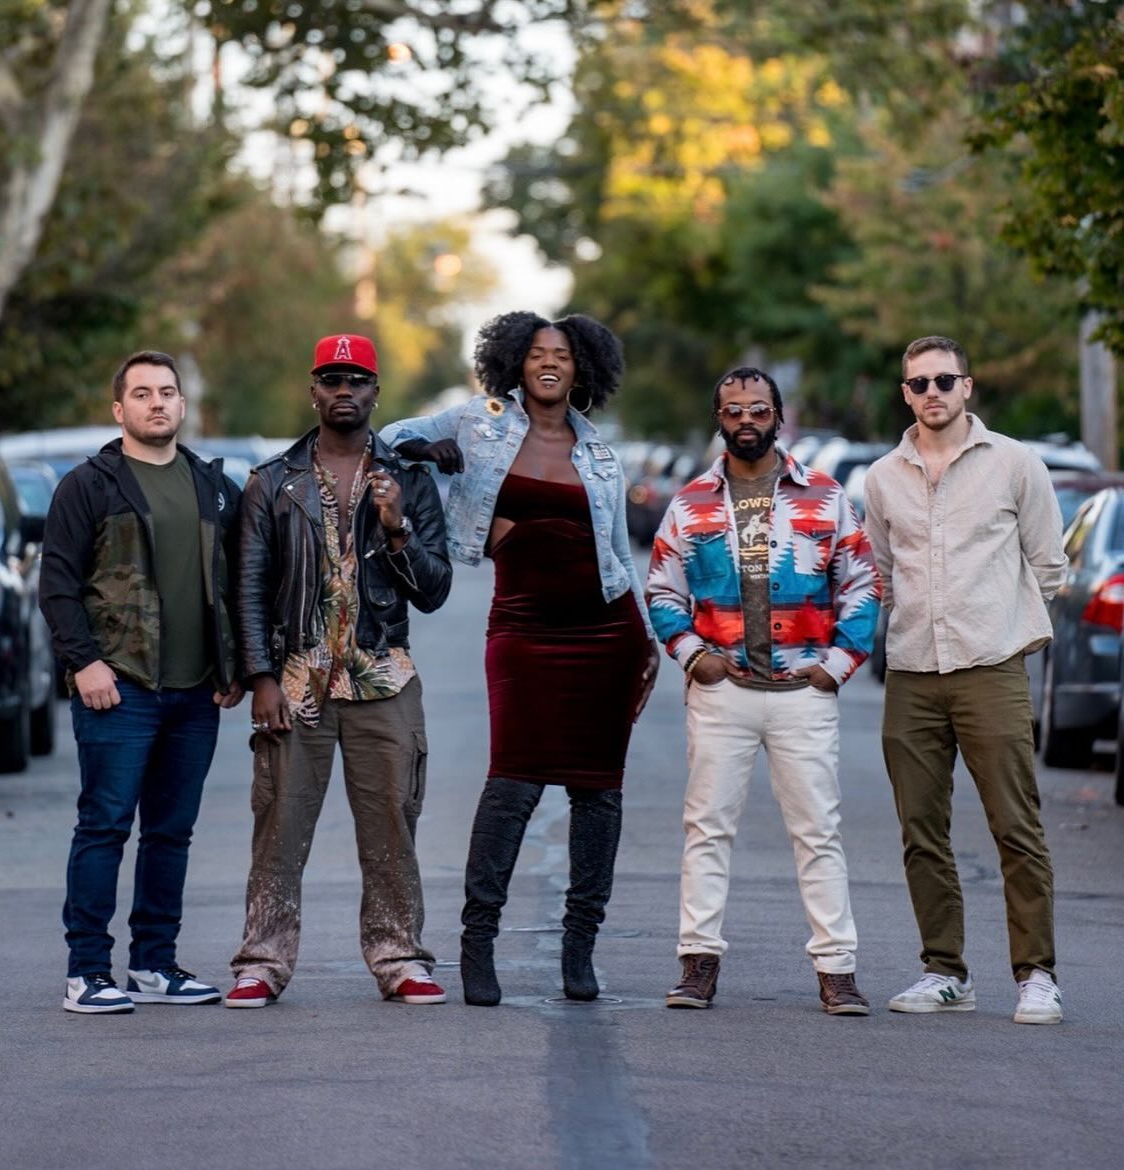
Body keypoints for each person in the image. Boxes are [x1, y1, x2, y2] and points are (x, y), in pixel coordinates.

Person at [381, 310, 658, 1006]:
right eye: (537, 352)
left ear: (580, 367)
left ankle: (580, 949)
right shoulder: (481, 422)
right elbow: (387, 441)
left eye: (562, 354)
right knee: (513, 783)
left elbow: (618, 552)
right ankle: (479, 943)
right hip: (524, 628)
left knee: (598, 793)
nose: (549, 363)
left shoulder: (598, 450)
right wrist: (429, 455)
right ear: (517, 362)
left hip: (606, 631)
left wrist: (645, 635)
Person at [225, 333, 452, 1009]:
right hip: (298, 679)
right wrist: (261, 677)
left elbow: (434, 591)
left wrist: (397, 528)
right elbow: (249, 586)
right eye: (331, 379)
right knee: (279, 824)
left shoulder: (409, 480)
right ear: (313, 390)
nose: (344, 391)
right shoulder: (271, 481)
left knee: (391, 823)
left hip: (383, 674)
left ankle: (399, 956)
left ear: (377, 393)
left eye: (357, 380)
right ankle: (261, 961)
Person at [645, 366, 880, 1014]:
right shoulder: (690, 504)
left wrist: (836, 665)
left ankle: (837, 971)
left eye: (758, 409)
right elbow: (663, 588)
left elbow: (862, 583)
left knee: (818, 831)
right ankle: (697, 965)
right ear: (719, 419)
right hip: (723, 690)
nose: (746, 421)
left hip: (804, 689)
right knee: (707, 830)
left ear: (779, 415)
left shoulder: (827, 498)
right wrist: (694, 655)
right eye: (733, 411)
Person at [864, 335, 1068, 1024]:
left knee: (1017, 826)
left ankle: (1037, 974)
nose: (932, 394)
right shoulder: (882, 476)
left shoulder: (1015, 463)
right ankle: (944, 971)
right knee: (920, 828)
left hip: (991, 667)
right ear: (905, 394)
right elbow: (881, 575)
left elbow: (1048, 565)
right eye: (919, 384)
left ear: (968, 387)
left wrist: (1007, 632)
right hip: (914, 672)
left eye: (944, 381)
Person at [41, 350, 243, 1014]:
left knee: (170, 831)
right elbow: (58, 586)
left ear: (183, 406)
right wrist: (84, 662)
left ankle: (154, 964)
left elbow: (242, 583)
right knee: (104, 825)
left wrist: (233, 664)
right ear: (119, 409)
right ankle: (87, 972)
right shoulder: (90, 485)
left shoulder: (214, 487)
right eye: (142, 393)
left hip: (195, 692)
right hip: (118, 687)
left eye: (167, 392)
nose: (156, 403)